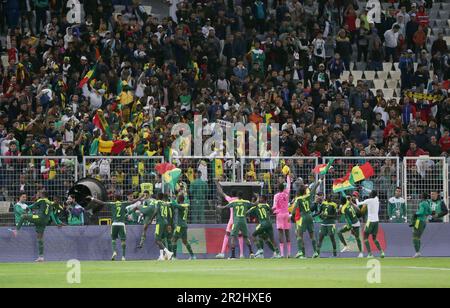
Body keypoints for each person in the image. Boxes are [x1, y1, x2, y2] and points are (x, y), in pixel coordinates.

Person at [9, 191, 64, 262]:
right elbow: (56, 211)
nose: (38, 196)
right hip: (44, 222)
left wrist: (28, 208)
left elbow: (32, 206)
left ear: (42, 195)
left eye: (39, 195)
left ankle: (16, 230)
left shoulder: (41, 200)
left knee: (23, 216)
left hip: (39, 218)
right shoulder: (50, 203)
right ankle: (41, 257)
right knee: (40, 238)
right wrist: (57, 223)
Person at [87, 192, 139, 261]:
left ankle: (114, 251)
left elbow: (102, 202)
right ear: (121, 199)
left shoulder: (112, 203)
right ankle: (123, 257)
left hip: (114, 224)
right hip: (121, 224)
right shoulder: (124, 203)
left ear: (114, 198)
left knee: (113, 239)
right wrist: (141, 197)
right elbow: (133, 201)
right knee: (123, 240)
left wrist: (92, 198)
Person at [291, 177, 322, 259]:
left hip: (303, 217)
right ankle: (315, 252)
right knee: (312, 235)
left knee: (299, 234)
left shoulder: (298, 199)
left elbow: (294, 210)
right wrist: (319, 181)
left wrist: (291, 215)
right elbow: (314, 188)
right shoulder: (308, 196)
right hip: (310, 216)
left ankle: (300, 252)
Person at [217, 191, 255, 260]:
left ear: (238, 196)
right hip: (243, 221)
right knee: (245, 237)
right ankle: (251, 253)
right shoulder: (245, 202)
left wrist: (220, 207)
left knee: (232, 237)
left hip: (236, 221)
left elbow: (225, 207)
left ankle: (233, 256)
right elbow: (254, 204)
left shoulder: (233, 202)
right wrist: (257, 198)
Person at [215, 183, 245, 259]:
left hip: (231, 220)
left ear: (231, 194)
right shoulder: (240, 200)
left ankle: (222, 253)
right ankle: (241, 254)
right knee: (240, 236)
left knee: (227, 235)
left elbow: (221, 192)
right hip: (238, 220)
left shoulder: (230, 199)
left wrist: (217, 183)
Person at [358, 191, 385, 258]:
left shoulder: (368, 200)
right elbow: (374, 193)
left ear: (371, 195)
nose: (369, 194)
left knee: (365, 237)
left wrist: (356, 198)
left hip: (370, 221)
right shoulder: (377, 199)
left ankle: (370, 254)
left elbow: (358, 203)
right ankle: (381, 252)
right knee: (374, 238)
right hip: (376, 221)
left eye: (370, 194)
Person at [338, 193, 364, 258]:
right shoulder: (347, 202)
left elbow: (348, 220)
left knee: (339, 232)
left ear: (341, 202)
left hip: (352, 224)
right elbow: (345, 196)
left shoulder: (344, 209)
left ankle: (346, 246)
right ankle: (360, 253)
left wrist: (351, 228)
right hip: (356, 222)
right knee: (357, 238)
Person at [149, 193, 174, 261]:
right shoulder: (165, 203)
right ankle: (161, 256)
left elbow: (156, 211)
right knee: (160, 239)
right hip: (165, 222)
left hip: (160, 222)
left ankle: (168, 252)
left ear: (157, 197)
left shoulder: (157, 202)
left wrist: (151, 219)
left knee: (157, 239)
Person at [272, 171, 292, 258]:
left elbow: (274, 207)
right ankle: (289, 253)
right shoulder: (287, 193)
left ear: (278, 188)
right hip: (287, 214)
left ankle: (282, 254)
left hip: (279, 215)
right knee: (287, 232)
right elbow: (289, 185)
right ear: (283, 188)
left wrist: (273, 210)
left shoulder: (276, 196)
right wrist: (287, 176)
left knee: (280, 233)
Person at [171, 194, 196, 260]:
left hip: (179, 226)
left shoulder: (180, 206)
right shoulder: (185, 205)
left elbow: (174, 204)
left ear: (179, 199)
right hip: (185, 225)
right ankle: (193, 256)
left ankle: (174, 257)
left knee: (174, 240)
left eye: (177, 198)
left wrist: (173, 199)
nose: (177, 199)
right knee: (185, 241)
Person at [411, 193, 433, 258]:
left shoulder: (422, 203)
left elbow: (421, 212)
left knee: (415, 236)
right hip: (424, 221)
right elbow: (430, 212)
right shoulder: (427, 203)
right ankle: (418, 252)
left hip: (418, 221)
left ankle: (417, 252)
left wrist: (415, 213)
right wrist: (425, 214)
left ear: (422, 197)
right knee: (418, 237)